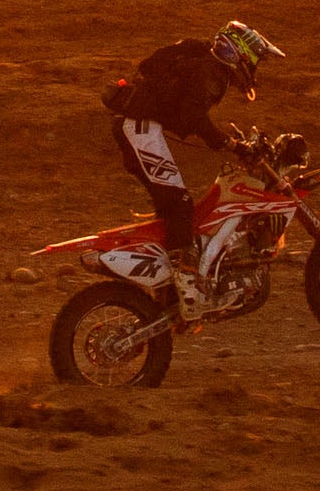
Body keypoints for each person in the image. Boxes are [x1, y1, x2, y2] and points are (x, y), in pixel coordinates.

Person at [103, 20, 285, 322]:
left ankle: (168, 291)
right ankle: (187, 286)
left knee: (172, 206)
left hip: (140, 127)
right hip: (140, 129)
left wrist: (230, 143)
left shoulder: (201, 62)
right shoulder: (210, 72)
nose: (254, 67)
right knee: (180, 205)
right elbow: (194, 117)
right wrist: (231, 144)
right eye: (255, 59)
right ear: (241, 53)